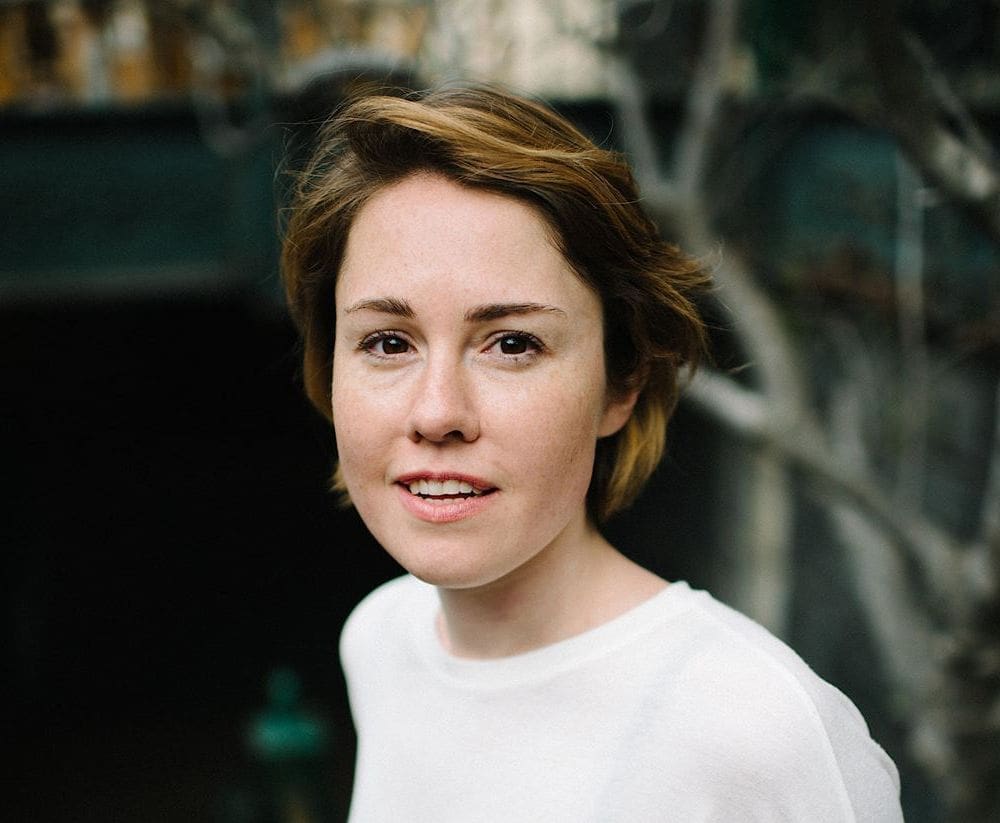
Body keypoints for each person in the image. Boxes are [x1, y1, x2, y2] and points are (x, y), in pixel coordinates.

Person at [281, 84, 903, 822]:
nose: (437, 411)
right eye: (388, 342)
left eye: (512, 343)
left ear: (621, 384)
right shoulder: (382, 640)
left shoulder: (759, 727)